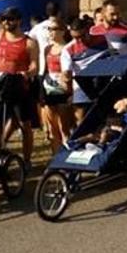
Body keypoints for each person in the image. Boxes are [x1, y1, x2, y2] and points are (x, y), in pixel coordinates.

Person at [0, 6, 39, 168]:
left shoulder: (29, 42)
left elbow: (35, 66)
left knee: (25, 125)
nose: (7, 22)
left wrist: (27, 73)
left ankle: (26, 161)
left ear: (19, 21)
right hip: (0, 88)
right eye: (4, 19)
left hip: (20, 88)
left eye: (10, 19)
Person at [61, 16, 108, 124]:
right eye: (75, 37)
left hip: (103, 83)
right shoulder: (69, 49)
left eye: (81, 36)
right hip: (82, 87)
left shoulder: (103, 39)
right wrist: (65, 79)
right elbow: (66, 72)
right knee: (82, 120)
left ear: (88, 30)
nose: (79, 40)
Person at [40, 16, 71, 152]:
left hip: (64, 90)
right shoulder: (47, 49)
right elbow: (45, 70)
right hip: (49, 89)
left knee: (64, 127)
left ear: (63, 31)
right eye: (49, 29)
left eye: (54, 29)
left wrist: (70, 91)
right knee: (52, 127)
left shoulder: (68, 48)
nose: (51, 32)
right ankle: (55, 156)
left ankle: (67, 154)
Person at [28, 1, 61, 74]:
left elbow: (29, 40)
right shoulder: (63, 28)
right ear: (59, 12)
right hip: (59, 67)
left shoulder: (38, 27)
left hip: (43, 66)